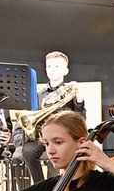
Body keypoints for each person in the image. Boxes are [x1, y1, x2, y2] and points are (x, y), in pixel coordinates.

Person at [13, 50, 86, 184]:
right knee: (26, 153)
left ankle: (54, 189)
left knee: (57, 154)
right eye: (49, 66)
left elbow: (80, 120)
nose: (52, 70)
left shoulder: (71, 92)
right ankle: (39, 186)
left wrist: (79, 99)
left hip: (61, 138)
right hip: (40, 138)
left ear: (66, 71)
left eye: (57, 66)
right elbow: (25, 120)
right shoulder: (36, 95)